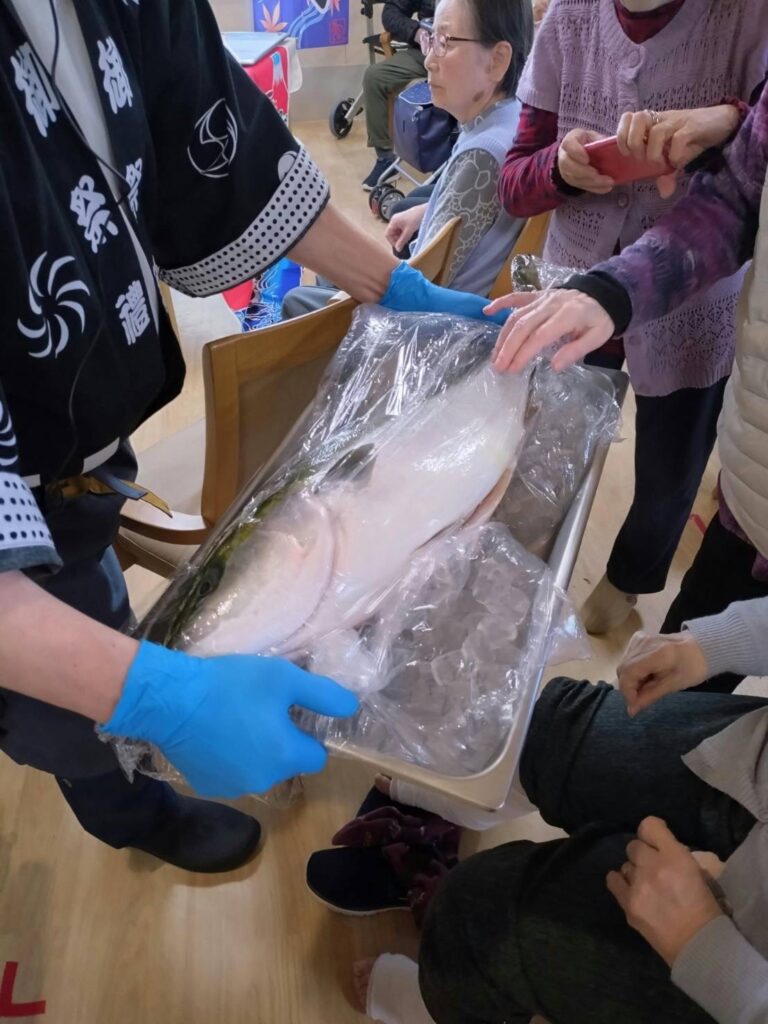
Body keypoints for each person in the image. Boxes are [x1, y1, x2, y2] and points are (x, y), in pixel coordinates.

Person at [0, 0, 501, 875]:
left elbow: (221, 153)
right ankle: (130, 811)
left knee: (99, 582)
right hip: (24, 487)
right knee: (67, 709)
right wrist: (157, 697)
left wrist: (392, 284)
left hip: (85, 435)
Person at [497, 0, 768, 635]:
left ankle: (628, 579)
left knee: (670, 469)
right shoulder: (569, 21)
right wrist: (560, 171)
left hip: (694, 305)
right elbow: (514, 182)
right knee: (550, 449)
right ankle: (524, 576)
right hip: (577, 286)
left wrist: (727, 118)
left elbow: (743, 178)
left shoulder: (746, 20)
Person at [367, 597, 768, 1024]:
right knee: (554, 730)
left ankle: (435, 1007)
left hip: (742, 979)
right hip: (754, 757)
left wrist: (701, 945)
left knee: (476, 916)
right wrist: (716, 643)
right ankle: (484, 798)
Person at [282, 0, 532, 318]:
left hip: (432, 326)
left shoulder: (481, 153)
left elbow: (422, 286)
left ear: (497, 60)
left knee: (299, 298)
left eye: (446, 42)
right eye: (431, 38)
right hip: (440, 301)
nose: (429, 61)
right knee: (330, 273)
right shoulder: (511, 118)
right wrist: (427, 211)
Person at [361, 0, 435, 190]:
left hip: (464, 54)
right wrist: (415, 31)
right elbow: (391, 12)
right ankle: (386, 159)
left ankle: (448, 162)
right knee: (375, 77)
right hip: (424, 53)